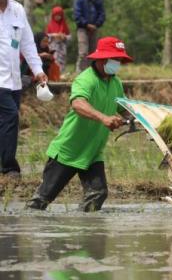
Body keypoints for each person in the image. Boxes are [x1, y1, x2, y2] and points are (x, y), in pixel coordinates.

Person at [26, 36, 133, 211]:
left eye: (120, 59)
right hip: (69, 150)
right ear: (102, 59)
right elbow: (78, 104)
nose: (118, 63)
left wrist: (142, 120)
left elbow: (124, 108)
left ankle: (84, 232)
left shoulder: (116, 82)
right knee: (41, 201)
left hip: (92, 151)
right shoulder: (86, 79)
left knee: (98, 193)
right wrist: (104, 118)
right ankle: (27, 229)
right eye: (115, 59)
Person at [0, 0, 47, 179]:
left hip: (14, 81)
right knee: (10, 117)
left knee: (6, 122)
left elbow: (27, 44)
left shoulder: (17, 10)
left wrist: (38, 70)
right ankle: (10, 167)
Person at [74, 0, 105, 72]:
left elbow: (102, 14)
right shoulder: (79, 0)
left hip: (94, 29)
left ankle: (92, 72)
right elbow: (77, 15)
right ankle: (80, 72)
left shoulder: (97, 0)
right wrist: (86, 24)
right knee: (83, 52)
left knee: (93, 52)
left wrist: (96, 24)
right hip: (82, 29)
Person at [46, 5, 71, 74]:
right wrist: (54, 35)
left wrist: (64, 36)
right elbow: (46, 36)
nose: (58, 17)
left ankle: (61, 74)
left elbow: (69, 36)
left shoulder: (64, 25)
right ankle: (54, 74)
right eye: (56, 15)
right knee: (54, 60)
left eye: (59, 15)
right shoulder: (50, 25)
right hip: (53, 47)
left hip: (62, 48)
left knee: (62, 61)